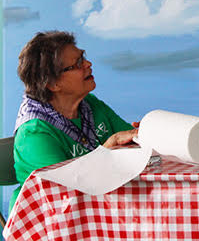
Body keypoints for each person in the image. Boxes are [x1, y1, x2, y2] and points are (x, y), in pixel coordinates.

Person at [10, 31, 137, 212]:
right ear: (53, 84)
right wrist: (108, 148)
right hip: (48, 221)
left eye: (83, 57)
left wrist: (142, 134)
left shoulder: (90, 104)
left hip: (97, 205)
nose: (88, 64)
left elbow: (131, 143)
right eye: (77, 63)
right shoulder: (34, 133)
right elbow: (63, 195)